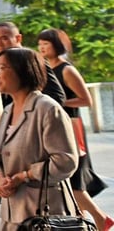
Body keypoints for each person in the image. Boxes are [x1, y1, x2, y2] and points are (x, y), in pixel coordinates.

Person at [0, 47, 78, 231]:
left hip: (44, 215)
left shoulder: (47, 109)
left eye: (2, 68)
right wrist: (0, 178)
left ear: (23, 70)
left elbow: (66, 161)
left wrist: (24, 176)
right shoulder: (7, 111)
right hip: (11, 214)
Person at [37, 28, 112, 231]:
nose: (42, 47)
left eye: (46, 43)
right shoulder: (45, 68)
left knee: (73, 181)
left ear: (56, 45)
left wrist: (58, 103)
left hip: (71, 127)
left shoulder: (66, 70)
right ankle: (84, 221)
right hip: (54, 127)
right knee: (69, 182)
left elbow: (86, 100)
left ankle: (100, 218)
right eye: (40, 44)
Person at [0, 22, 65, 106]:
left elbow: (57, 96)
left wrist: (29, 112)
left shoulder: (32, 60)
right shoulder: (0, 62)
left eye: (4, 39)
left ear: (18, 38)